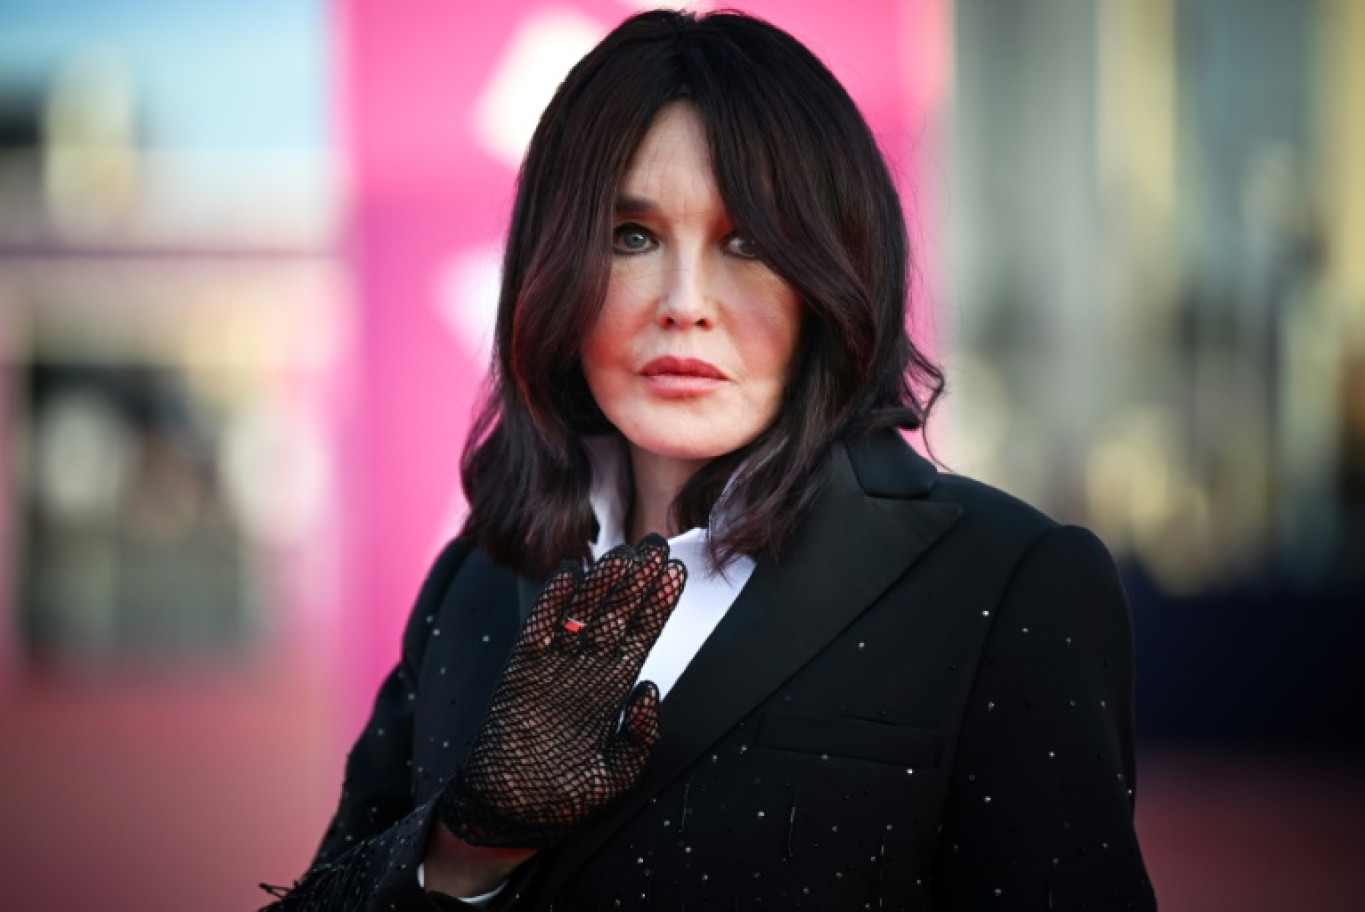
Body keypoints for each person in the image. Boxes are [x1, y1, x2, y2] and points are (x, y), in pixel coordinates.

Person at [263, 9, 1156, 910]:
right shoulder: (478, 580)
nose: (685, 303)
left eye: (750, 241)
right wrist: (462, 851)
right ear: (552, 266)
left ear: (834, 271)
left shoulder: (1006, 584)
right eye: (633, 237)